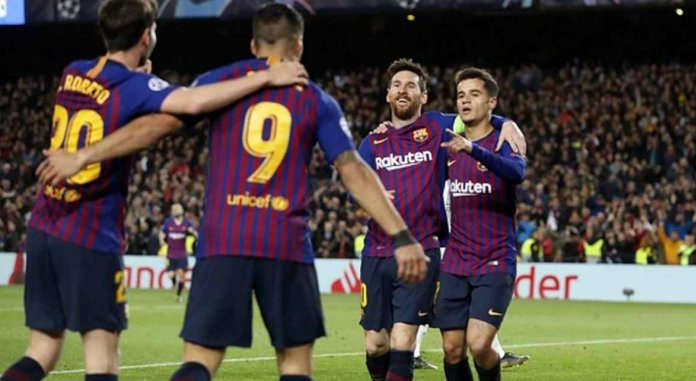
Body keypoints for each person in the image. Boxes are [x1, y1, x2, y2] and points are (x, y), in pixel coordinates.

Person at [37, 4, 428, 380]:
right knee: (294, 365)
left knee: (199, 362)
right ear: (298, 46)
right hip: (285, 243)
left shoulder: (216, 84)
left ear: (254, 46)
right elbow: (352, 169)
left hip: (224, 239)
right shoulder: (315, 99)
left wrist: (85, 155)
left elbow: (156, 127)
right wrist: (401, 235)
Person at [5, 0, 309, 380]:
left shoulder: (73, 72)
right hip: (90, 232)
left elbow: (109, 98)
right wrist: (265, 77)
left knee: (42, 348)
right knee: (101, 356)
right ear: (146, 36)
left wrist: (140, 79)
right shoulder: (136, 86)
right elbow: (195, 101)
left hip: (45, 225)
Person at [358, 59, 525, 381]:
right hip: (390, 253)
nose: (402, 90)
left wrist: (508, 123)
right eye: (396, 85)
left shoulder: (441, 130)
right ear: (388, 95)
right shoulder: (375, 141)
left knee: (414, 340)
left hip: (431, 251)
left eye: (411, 85)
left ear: (424, 96)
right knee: (385, 345)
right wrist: (369, 198)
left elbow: (482, 121)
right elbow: (354, 183)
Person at [435, 67, 527, 381]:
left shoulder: (503, 139)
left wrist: (474, 149)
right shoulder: (447, 143)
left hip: (494, 260)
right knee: (451, 348)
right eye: (461, 95)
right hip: (456, 261)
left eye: (474, 94)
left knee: (479, 343)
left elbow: (516, 173)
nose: (465, 100)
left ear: (491, 102)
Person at [159, 203, 197, 301]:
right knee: (171, 274)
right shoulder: (168, 223)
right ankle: (174, 284)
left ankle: (178, 296)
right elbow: (162, 232)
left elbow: (192, 231)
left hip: (181, 254)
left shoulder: (186, 223)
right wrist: (162, 240)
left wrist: (195, 234)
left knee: (181, 274)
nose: (176, 211)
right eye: (174, 209)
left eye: (178, 209)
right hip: (170, 254)